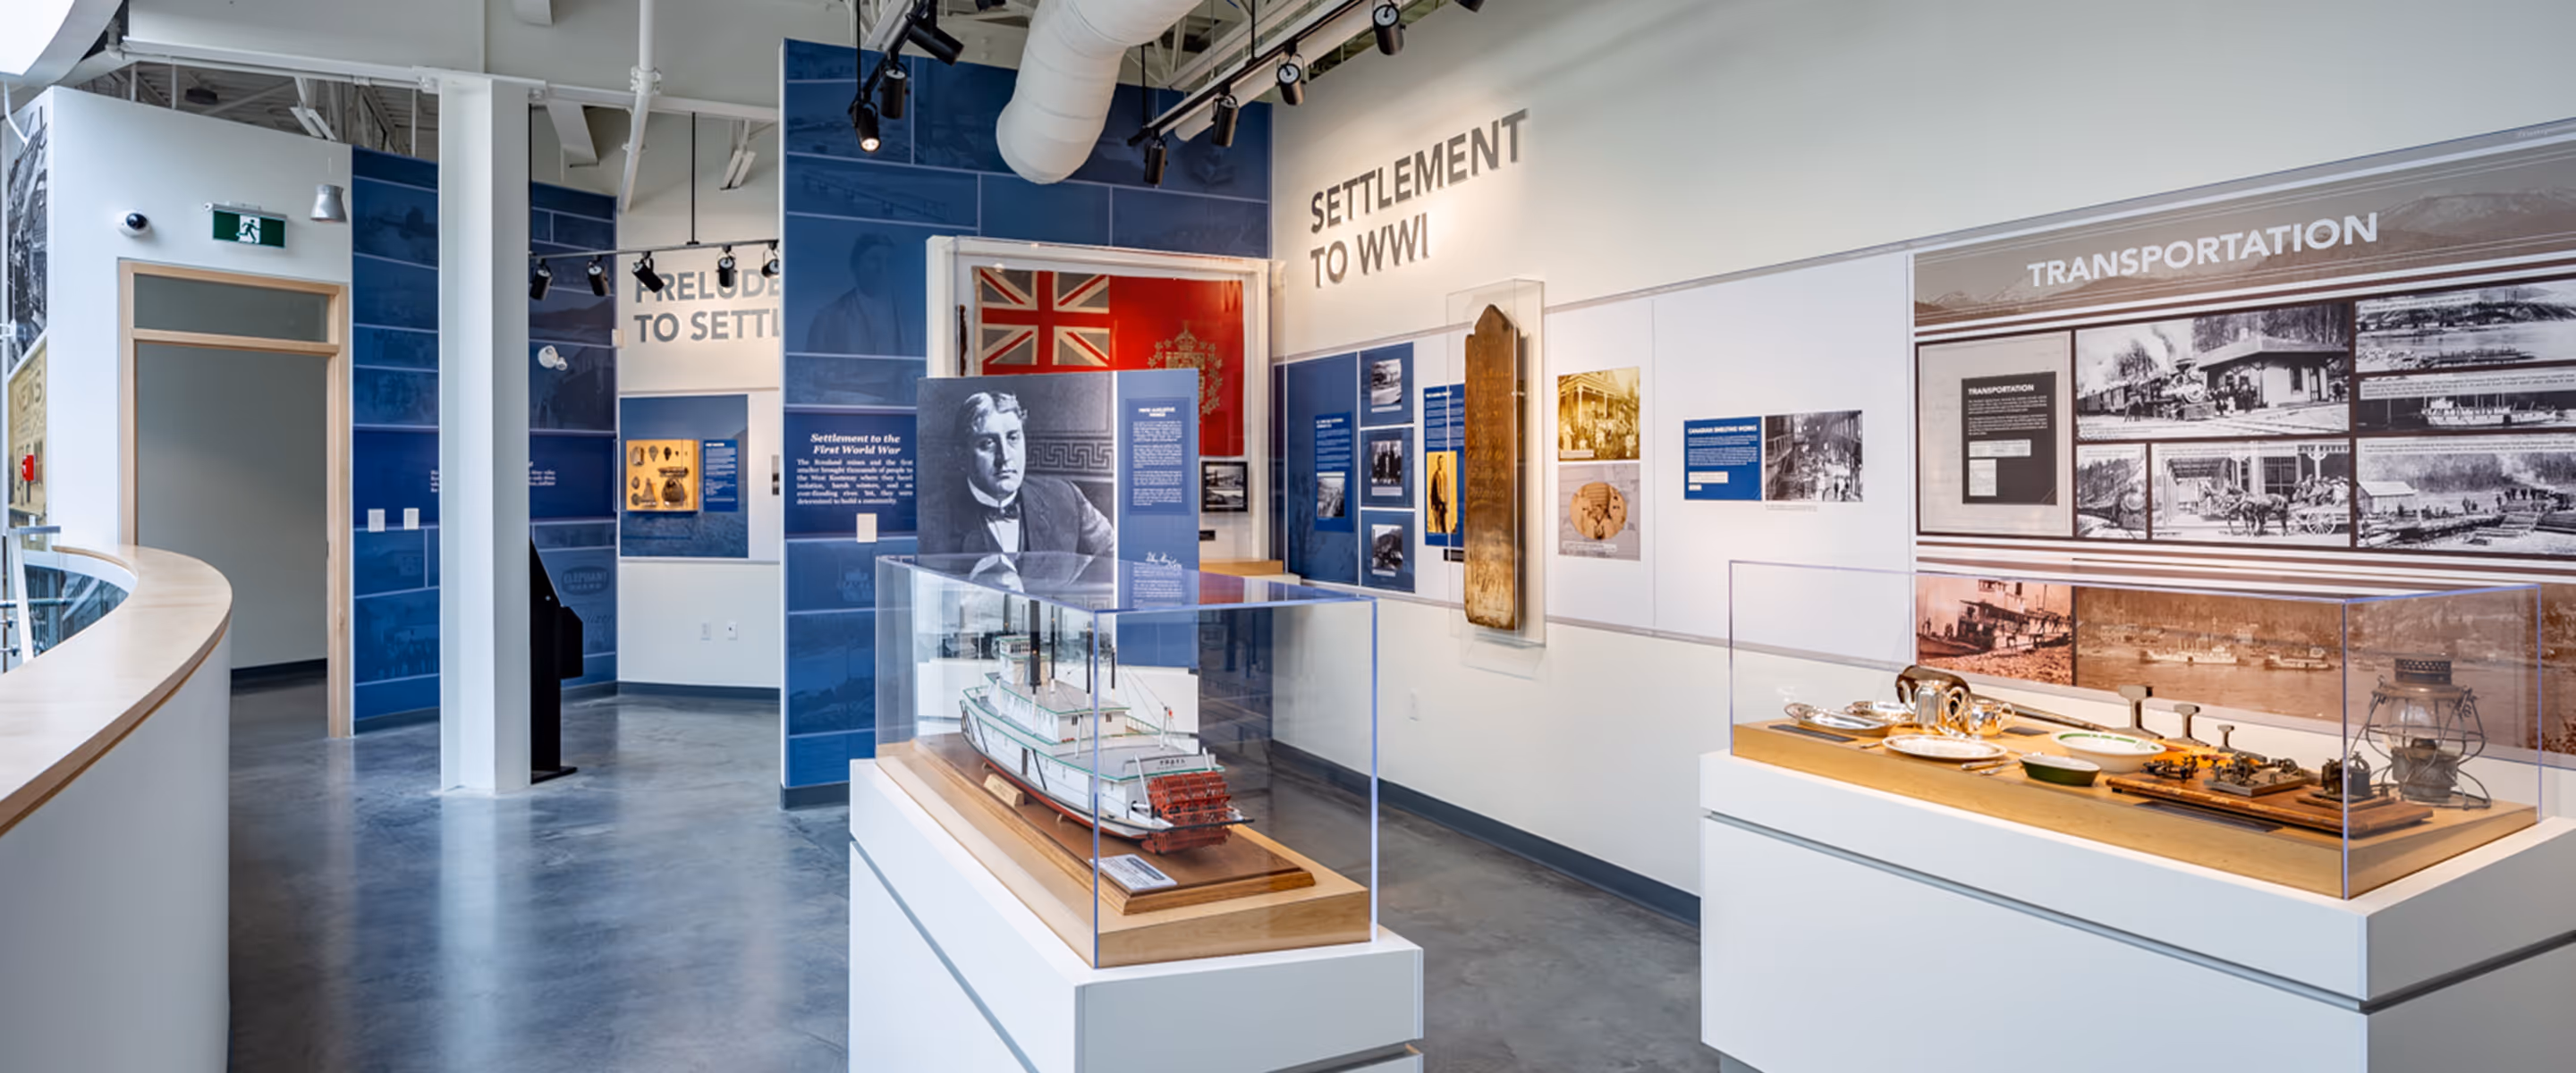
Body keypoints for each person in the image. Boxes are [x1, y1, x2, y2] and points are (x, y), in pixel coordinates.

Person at [923, 391, 1114, 557]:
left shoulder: (1066, 498)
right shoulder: (929, 520)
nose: (1005, 457)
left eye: (1013, 438)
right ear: (962, 455)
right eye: (988, 443)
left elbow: (1115, 556)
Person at [804, 232, 913, 355]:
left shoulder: (912, 319)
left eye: (889, 262)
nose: (882, 268)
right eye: (874, 260)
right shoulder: (827, 318)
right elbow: (813, 365)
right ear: (855, 265)